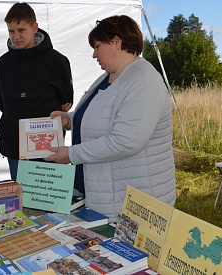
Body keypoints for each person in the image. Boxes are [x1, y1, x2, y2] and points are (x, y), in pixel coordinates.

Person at [44, 15, 176, 223]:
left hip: (135, 203)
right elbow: (105, 116)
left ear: (116, 42)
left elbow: (126, 141)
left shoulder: (142, 80)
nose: (94, 55)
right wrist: (70, 120)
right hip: (107, 194)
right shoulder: (111, 76)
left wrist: (72, 154)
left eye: (97, 46)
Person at [0, 2, 74, 181]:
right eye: (11, 31)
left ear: (34, 27)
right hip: (14, 148)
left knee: (50, 203)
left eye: (21, 30)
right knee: (21, 205)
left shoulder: (57, 61)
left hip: (49, 150)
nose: (16, 36)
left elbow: (66, 102)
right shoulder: (2, 64)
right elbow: (2, 103)